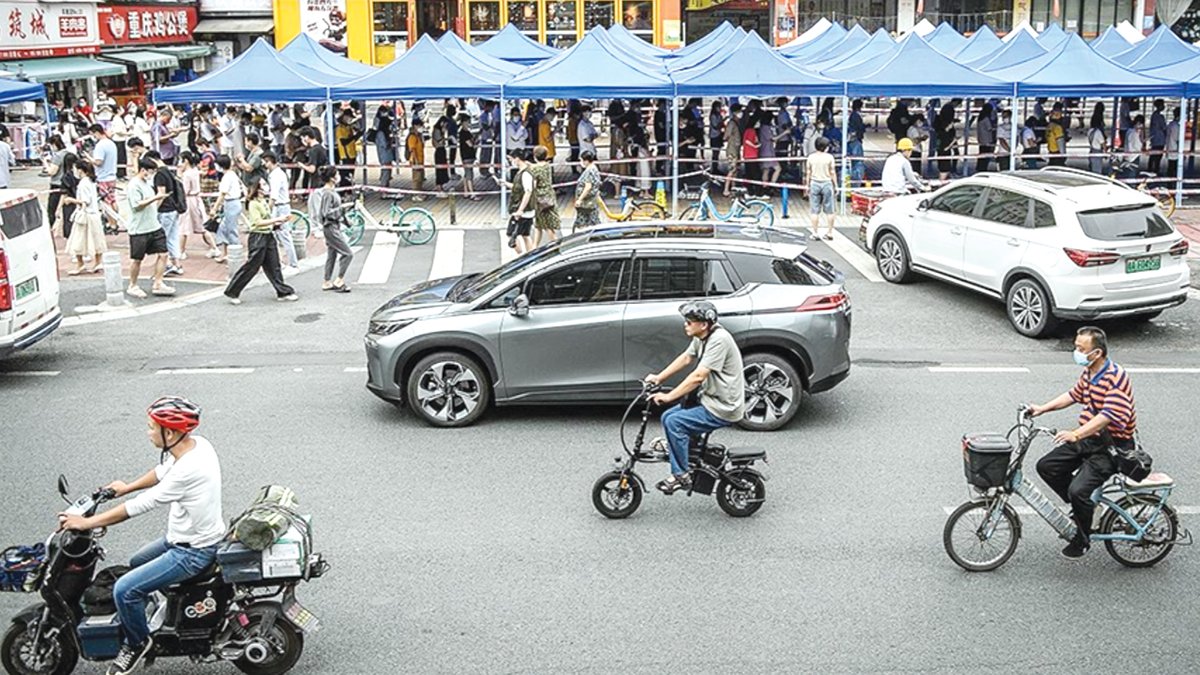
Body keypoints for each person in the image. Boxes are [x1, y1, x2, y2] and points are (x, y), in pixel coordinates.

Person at [57, 396, 222, 675]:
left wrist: (87, 523)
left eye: (151, 427)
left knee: (125, 590)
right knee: (136, 562)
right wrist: (126, 486)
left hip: (193, 551)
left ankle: (137, 643)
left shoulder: (188, 470)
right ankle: (167, 609)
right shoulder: (197, 445)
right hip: (183, 538)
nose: (148, 433)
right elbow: (161, 471)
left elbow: (139, 506)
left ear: (170, 433)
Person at [1028, 327, 1137, 559]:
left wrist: (1076, 434)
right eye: (1076, 346)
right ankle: (1086, 509)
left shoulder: (1115, 377)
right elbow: (1073, 395)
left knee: (1078, 490)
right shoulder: (1090, 372)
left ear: (1096, 353)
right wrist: (1042, 408)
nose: (1076, 352)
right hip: (1090, 438)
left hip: (1112, 446)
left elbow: (1107, 416)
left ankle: (1083, 537)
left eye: (1081, 348)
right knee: (1047, 466)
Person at [645, 301, 746, 495]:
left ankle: (681, 475)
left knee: (675, 422)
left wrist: (669, 396)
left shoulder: (719, 340)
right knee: (667, 417)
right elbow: (686, 358)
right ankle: (688, 450)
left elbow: (698, 376)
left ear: (704, 324)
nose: (685, 325)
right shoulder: (703, 336)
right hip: (709, 399)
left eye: (689, 322)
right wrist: (659, 377)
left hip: (723, 406)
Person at [224, 181, 298, 305]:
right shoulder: (253, 204)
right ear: (257, 189)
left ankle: (282, 291)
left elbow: (266, 220)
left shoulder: (263, 201)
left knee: (274, 265)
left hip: (268, 236)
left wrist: (276, 223)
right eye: (263, 185)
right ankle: (233, 291)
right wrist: (277, 219)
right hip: (258, 237)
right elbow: (257, 222)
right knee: (252, 266)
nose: (266, 186)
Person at [125, 158, 174, 299]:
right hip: (139, 229)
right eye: (151, 172)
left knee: (163, 254)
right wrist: (156, 198)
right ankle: (132, 285)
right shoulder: (134, 185)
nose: (152, 175)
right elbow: (137, 205)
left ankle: (158, 282)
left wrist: (158, 199)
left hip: (154, 226)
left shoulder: (147, 184)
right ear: (143, 170)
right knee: (137, 259)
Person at [309, 165, 353, 293]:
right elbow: (325, 212)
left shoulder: (331, 192)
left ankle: (327, 281)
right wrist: (341, 209)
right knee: (348, 253)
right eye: (337, 174)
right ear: (332, 178)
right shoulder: (328, 193)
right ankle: (339, 280)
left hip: (334, 226)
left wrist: (346, 221)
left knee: (332, 254)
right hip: (331, 227)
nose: (339, 176)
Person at [62, 159, 105, 275]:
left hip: (85, 215)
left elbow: (85, 201)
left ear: (80, 170)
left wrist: (70, 200)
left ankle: (80, 264)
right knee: (96, 239)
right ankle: (97, 262)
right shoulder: (91, 182)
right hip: (93, 214)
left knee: (78, 240)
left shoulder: (83, 183)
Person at [145, 151, 185, 276]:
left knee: (163, 238)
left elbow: (161, 194)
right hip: (173, 208)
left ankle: (166, 264)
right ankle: (177, 264)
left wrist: (154, 209)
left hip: (165, 210)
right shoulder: (168, 171)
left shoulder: (159, 174)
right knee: (173, 237)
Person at [176, 151, 215, 260]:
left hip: (189, 200)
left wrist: (179, 177)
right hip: (196, 199)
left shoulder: (187, 174)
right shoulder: (195, 171)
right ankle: (214, 247)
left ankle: (181, 251)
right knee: (202, 226)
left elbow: (185, 190)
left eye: (181, 161)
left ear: (186, 161)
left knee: (183, 227)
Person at [207, 156, 245, 264]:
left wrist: (214, 209)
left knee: (231, 231)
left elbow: (222, 194)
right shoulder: (232, 174)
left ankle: (236, 258)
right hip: (231, 203)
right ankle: (226, 254)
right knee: (223, 229)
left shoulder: (227, 177)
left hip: (231, 203)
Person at [263, 152, 298, 268]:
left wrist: (267, 210)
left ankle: (292, 263)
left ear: (270, 161)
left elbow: (273, 196)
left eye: (266, 161)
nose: (264, 164)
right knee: (278, 235)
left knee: (284, 235)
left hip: (280, 207)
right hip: (280, 206)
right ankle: (281, 261)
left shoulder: (276, 176)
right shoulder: (275, 174)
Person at [805, 136, 836, 241]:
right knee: (830, 210)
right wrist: (835, 185)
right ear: (826, 147)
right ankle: (830, 232)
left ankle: (815, 233)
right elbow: (832, 172)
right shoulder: (830, 157)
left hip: (814, 183)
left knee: (814, 211)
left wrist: (807, 185)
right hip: (827, 183)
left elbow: (808, 172)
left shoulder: (811, 157)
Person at [530, 145, 560, 247]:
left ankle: (556, 245)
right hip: (549, 196)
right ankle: (534, 246)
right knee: (539, 224)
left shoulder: (535, 169)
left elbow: (533, 185)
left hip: (540, 199)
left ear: (535, 156)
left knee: (547, 226)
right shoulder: (547, 166)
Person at [506, 150, 535, 254]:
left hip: (522, 211)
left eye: (511, 159)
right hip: (526, 210)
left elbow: (528, 192)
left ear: (517, 159)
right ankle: (530, 256)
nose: (511, 162)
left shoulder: (525, 173)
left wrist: (520, 210)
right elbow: (519, 188)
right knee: (525, 235)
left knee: (511, 233)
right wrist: (506, 184)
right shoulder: (523, 172)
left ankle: (520, 254)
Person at [43, 136, 69, 233]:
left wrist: (45, 163)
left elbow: (52, 172)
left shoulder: (57, 156)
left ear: (54, 144)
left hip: (57, 184)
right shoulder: (67, 153)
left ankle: (51, 228)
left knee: (52, 209)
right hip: (66, 184)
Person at [573, 150, 601, 232]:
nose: (581, 162)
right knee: (593, 220)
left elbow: (588, 187)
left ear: (586, 161)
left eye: (581, 160)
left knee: (586, 222)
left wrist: (580, 199)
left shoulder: (589, 171)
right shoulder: (594, 168)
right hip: (591, 201)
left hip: (587, 202)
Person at [723, 104, 744, 197]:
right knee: (732, 169)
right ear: (735, 112)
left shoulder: (736, 123)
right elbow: (726, 136)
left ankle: (733, 188)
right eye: (740, 111)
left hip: (736, 149)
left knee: (735, 170)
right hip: (732, 150)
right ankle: (726, 189)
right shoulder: (731, 123)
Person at [374, 102, 397, 187]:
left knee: (387, 171)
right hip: (384, 155)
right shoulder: (381, 133)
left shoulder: (384, 132)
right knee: (385, 171)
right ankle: (384, 188)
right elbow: (384, 145)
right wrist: (390, 140)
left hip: (387, 155)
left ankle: (386, 186)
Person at [298, 127, 328, 191]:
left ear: (306, 137)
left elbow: (312, 169)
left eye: (302, 139)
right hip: (323, 180)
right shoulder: (321, 148)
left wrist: (302, 165)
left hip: (316, 182)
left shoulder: (313, 151)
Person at [458, 112, 479, 200]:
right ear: (463, 122)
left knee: (467, 174)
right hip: (467, 155)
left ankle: (466, 191)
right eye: (467, 122)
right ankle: (472, 193)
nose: (469, 123)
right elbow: (470, 144)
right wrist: (474, 143)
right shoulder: (463, 133)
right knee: (469, 174)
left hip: (468, 155)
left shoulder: (466, 132)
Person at [406, 119, 426, 201]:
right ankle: (415, 194)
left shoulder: (418, 136)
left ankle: (419, 193)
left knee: (420, 178)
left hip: (420, 160)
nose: (421, 127)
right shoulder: (412, 137)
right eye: (420, 126)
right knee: (416, 178)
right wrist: (416, 161)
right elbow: (412, 150)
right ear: (415, 126)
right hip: (415, 160)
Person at [848, 99, 867, 184]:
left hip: (855, 138)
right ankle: (857, 178)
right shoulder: (856, 116)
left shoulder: (853, 115)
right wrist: (864, 127)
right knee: (857, 159)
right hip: (856, 139)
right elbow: (859, 127)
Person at [975, 102, 996, 174]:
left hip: (981, 138)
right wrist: (995, 127)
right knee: (986, 154)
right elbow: (989, 128)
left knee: (981, 153)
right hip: (987, 139)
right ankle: (983, 168)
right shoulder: (986, 118)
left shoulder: (980, 117)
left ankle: (979, 167)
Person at [1087, 104, 1108, 175]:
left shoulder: (1090, 131)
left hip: (1092, 150)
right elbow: (1103, 144)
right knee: (1097, 171)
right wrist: (1105, 153)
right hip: (1097, 152)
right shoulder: (1098, 132)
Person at [1148, 98, 1167, 175]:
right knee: (1158, 155)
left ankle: (1150, 169)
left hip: (1154, 138)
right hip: (1160, 139)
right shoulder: (1160, 117)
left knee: (1153, 155)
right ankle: (1156, 170)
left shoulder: (1153, 115)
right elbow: (1164, 128)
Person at [708, 101, 726, 175]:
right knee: (715, 153)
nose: (720, 108)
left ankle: (716, 167)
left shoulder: (719, 115)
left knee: (717, 152)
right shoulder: (713, 116)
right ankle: (714, 168)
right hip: (714, 136)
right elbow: (716, 126)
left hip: (718, 135)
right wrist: (722, 122)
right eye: (719, 107)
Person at [1165, 107, 1181, 179]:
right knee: (1173, 167)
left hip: (1170, 147)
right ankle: (1172, 182)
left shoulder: (1171, 124)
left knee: (1171, 166)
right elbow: (1177, 139)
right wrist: (1180, 149)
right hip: (1174, 149)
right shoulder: (1176, 126)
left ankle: (1170, 181)